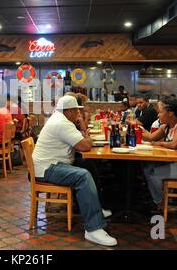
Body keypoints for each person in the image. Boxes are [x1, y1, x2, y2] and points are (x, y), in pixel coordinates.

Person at [32, 95, 117, 246]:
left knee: (87, 164)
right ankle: (93, 229)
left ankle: (95, 208)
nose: (78, 114)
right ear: (69, 111)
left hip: (53, 164)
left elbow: (83, 142)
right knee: (83, 176)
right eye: (76, 111)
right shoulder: (62, 123)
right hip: (48, 168)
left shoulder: (60, 118)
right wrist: (87, 137)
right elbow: (84, 145)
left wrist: (84, 133)